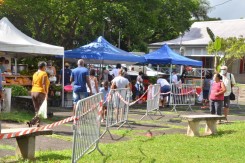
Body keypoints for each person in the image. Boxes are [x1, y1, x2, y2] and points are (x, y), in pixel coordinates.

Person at [28, 61, 50, 127]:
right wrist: (46, 93)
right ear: (43, 67)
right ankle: (32, 122)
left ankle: (38, 123)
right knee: (41, 109)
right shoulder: (44, 74)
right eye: (45, 66)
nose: (46, 68)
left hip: (33, 91)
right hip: (40, 92)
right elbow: (43, 84)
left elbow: (32, 83)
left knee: (37, 108)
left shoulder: (35, 73)